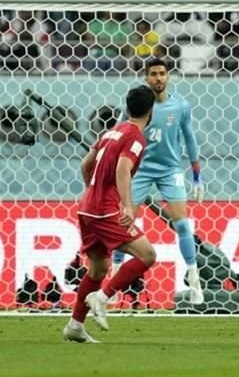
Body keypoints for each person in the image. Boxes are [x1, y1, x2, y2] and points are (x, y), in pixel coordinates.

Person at [63, 85, 157, 344]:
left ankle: (75, 326)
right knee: (147, 255)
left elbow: (85, 165)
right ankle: (102, 298)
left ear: (128, 107)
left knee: (98, 268)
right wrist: (126, 205)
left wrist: (92, 193)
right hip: (104, 210)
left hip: (87, 207)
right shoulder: (136, 137)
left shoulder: (111, 131)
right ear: (151, 111)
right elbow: (123, 169)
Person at [110, 59, 204, 304]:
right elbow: (120, 130)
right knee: (123, 223)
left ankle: (194, 279)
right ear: (146, 77)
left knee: (182, 225)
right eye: (153, 74)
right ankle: (115, 276)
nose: (158, 78)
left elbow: (190, 138)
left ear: (168, 76)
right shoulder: (138, 105)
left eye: (162, 73)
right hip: (139, 170)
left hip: (170, 170)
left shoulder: (180, 106)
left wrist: (196, 176)